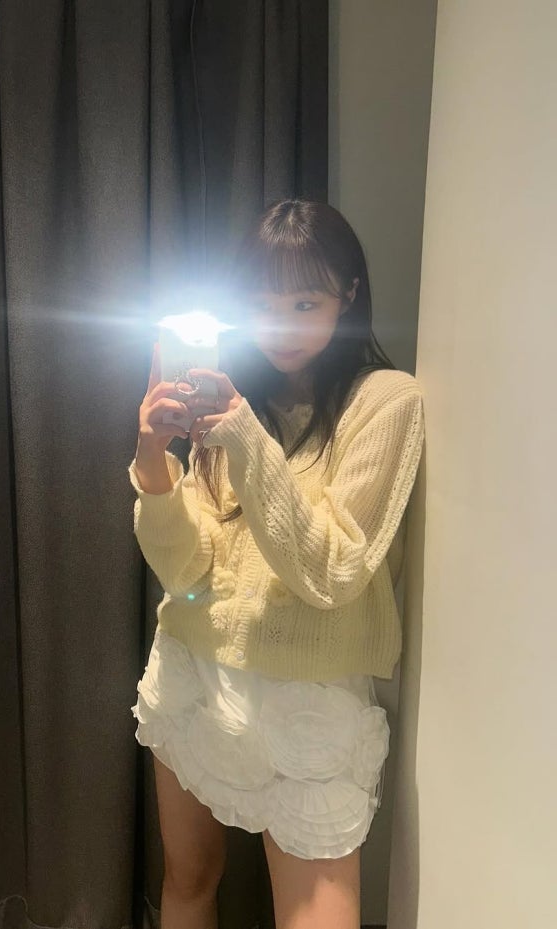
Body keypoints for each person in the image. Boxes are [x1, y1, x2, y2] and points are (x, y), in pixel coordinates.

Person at [128, 199, 425, 929]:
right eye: (262, 306)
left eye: (305, 303)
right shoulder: (234, 404)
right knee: (189, 879)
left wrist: (240, 434)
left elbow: (331, 571)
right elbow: (185, 571)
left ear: (347, 294)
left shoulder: (386, 402)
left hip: (308, 701)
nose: (281, 326)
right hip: (193, 670)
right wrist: (153, 462)